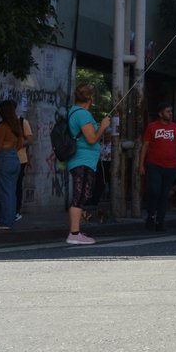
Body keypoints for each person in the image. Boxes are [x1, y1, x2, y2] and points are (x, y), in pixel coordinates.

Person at [65, 83, 112, 245]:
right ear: (90, 99)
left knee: (81, 195)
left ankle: (75, 231)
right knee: (79, 196)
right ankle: (74, 233)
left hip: (83, 160)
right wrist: (103, 127)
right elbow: (92, 139)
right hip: (82, 160)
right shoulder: (83, 115)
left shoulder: (74, 112)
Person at [138, 102, 176, 232]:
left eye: (171, 111)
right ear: (160, 114)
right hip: (154, 164)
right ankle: (151, 216)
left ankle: (160, 220)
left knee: (164, 194)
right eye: (167, 111)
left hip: (171, 166)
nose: (170, 114)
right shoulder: (152, 127)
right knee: (154, 191)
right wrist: (141, 164)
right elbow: (145, 145)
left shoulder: (175, 127)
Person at [0, 98, 26, 229]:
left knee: (4, 191)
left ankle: (5, 221)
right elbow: (21, 145)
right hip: (15, 158)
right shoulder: (17, 126)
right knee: (11, 191)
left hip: (4, 158)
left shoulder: (3, 126)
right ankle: (9, 219)